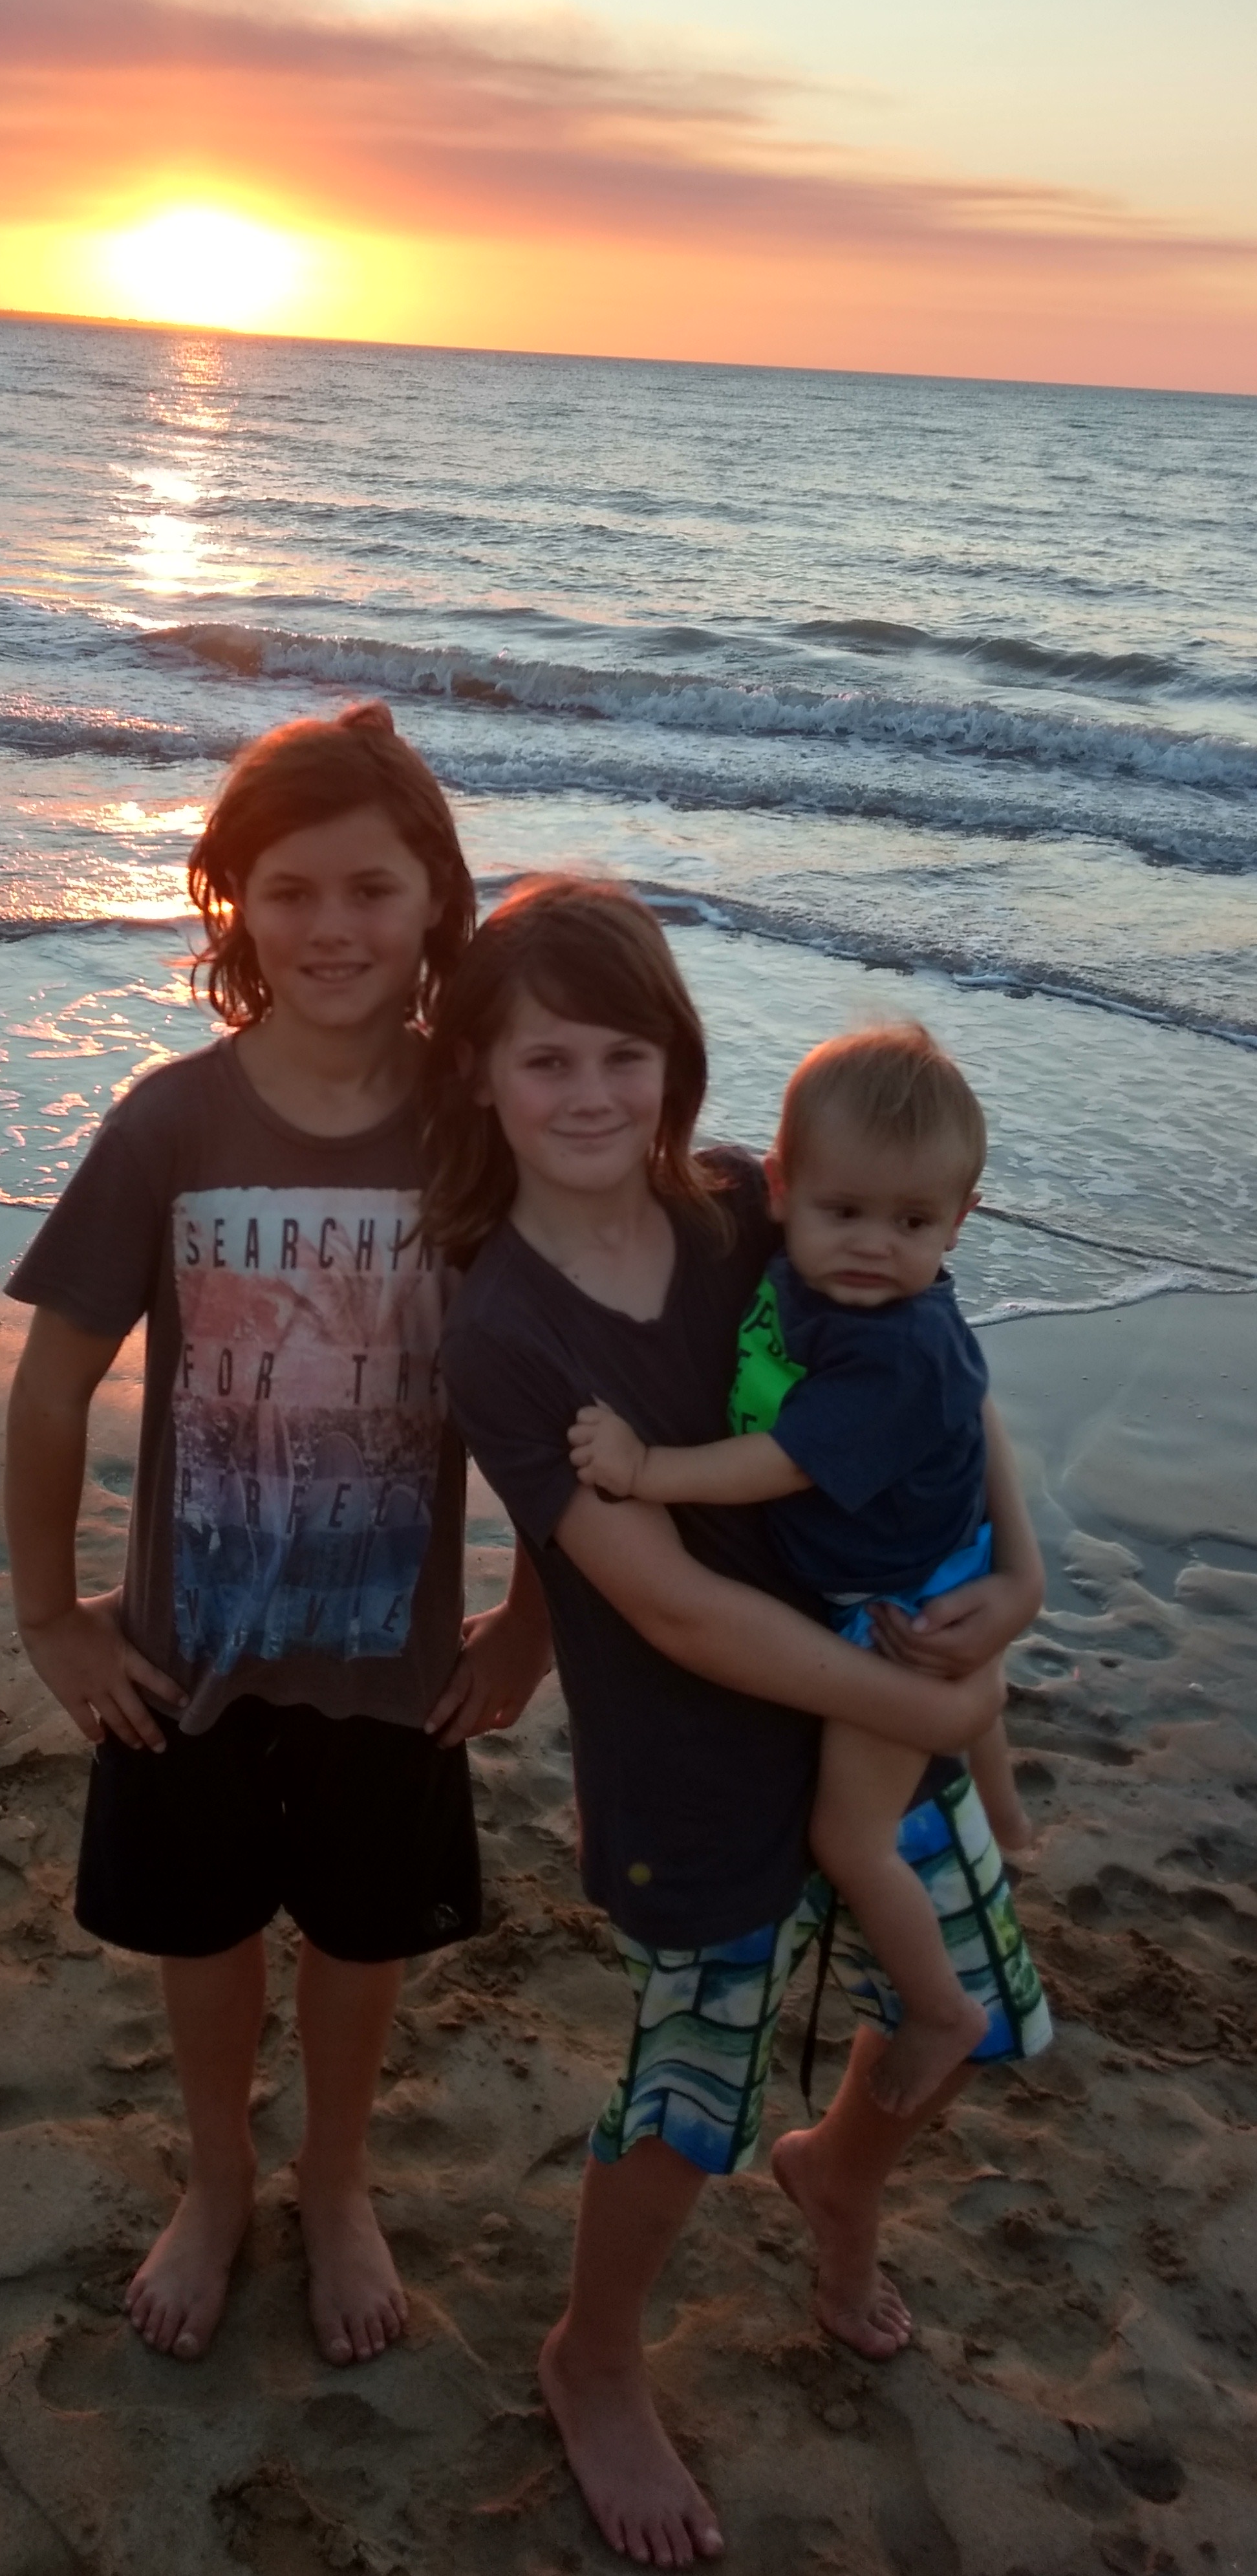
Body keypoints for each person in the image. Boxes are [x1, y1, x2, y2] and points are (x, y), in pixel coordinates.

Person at [427, 878, 1050, 2570]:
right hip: (701, 1756)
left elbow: (933, 1372)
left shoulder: (746, 1205)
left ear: (679, 1062)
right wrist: (950, 1698)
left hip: (880, 1694)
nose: (590, 1094)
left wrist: (1019, 1576)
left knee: (968, 2018)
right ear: (479, 1072)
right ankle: (594, 2354)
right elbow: (676, 1608)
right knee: (689, 2102)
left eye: (624, 1054)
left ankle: (841, 2175)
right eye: (546, 1058)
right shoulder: (503, 1328)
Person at [3, 704, 551, 2371]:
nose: (332, 927)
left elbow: (557, 1401)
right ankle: (221, 2178)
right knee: (207, 1932)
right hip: (190, 1655)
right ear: (230, 899)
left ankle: (338, 2179)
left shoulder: (481, 1131)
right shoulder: (170, 1123)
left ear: (436, 899)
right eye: (290, 889)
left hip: (398, 1660)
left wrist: (530, 1625)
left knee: (366, 1939)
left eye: (372, 889)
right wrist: (51, 1618)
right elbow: (51, 1383)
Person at [570, 1024, 1033, 2121]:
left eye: (912, 1223)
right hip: (926, 1553)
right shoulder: (828, 1281)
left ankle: (940, 2009)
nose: (873, 1246)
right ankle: (1009, 1819)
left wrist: (646, 1469)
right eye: (846, 1212)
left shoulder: (891, 1346)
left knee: (851, 1838)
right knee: (964, 1730)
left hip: (896, 1609)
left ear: (958, 1222)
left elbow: (778, 1463)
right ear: (782, 1190)